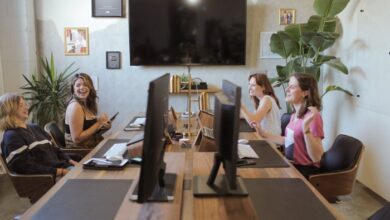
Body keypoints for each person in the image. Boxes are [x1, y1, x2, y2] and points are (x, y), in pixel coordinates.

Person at [254, 73, 324, 177]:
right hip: (291, 165)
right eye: (288, 86)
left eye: (292, 87)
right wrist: (264, 134)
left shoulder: (313, 117)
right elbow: (289, 141)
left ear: (305, 92)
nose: (287, 90)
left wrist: (306, 130)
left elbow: (317, 157)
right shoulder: (294, 115)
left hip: (305, 171)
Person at [0, 93, 77, 178]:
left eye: (25, 104)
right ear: (10, 110)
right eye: (21, 106)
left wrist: (70, 161)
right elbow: (25, 167)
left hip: (64, 168)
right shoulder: (11, 136)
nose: (26, 108)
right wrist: (61, 172)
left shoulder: (35, 127)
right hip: (49, 179)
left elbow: (54, 149)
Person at [64, 73, 111, 149]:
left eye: (85, 85)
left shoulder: (85, 103)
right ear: (73, 89)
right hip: (81, 152)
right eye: (78, 85)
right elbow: (77, 139)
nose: (82, 87)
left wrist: (104, 126)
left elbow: (90, 131)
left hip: (91, 146)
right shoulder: (75, 106)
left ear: (90, 87)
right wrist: (99, 122)